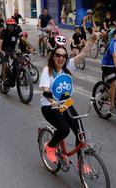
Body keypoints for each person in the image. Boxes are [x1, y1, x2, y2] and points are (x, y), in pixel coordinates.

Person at [39, 36, 96, 169]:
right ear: (53, 56)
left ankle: (81, 163)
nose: (61, 58)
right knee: (64, 129)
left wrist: (92, 40)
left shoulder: (69, 66)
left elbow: (83, 53)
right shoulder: (48, 70)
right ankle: (50, 146)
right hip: (49, 107)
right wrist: (52, 100)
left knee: (80, 132)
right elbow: (46, 90)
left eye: (64, 56)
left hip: (66, 104)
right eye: (58, 55)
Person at [0, 18, 22, 89]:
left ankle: (13, 74)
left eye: (12, 26)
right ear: (7, 26)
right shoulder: (3, 32)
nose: (11, 27)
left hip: (11, 49)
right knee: (4, 65)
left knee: (17, 59)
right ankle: (3, 81)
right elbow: (0, 42)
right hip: (3, 50)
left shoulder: (15, 31)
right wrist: (0, 50)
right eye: (9, 26)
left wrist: (29, 47)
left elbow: (22, 39)